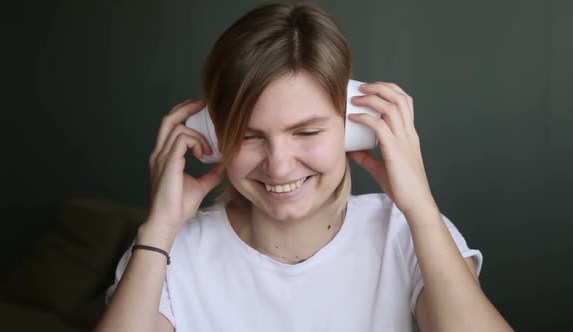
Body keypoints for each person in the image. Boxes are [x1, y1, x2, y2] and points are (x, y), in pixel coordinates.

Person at [96, 2, 513, 331]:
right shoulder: (170, 252)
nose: (278, 166)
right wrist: (159, 228)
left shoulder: (406, 236)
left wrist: (420, 207)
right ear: (214, 136)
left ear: (352, 127)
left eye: (307, 132)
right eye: (249, 135)